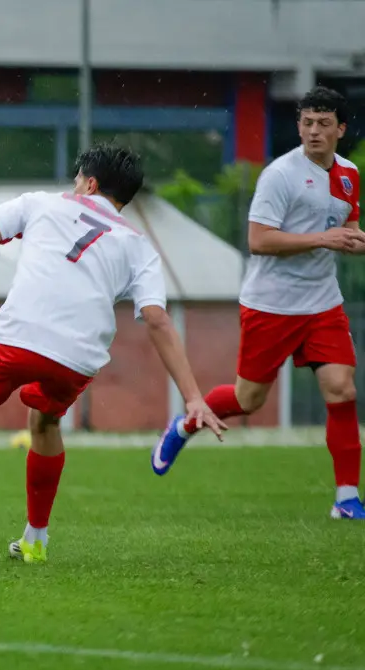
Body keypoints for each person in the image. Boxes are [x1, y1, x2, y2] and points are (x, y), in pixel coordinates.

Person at [0, 143, 225, 567]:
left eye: (76, 179)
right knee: (45, 419)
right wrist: (193, 397)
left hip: (16, 339)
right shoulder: (139, 246)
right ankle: (35, 539)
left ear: (89, 183)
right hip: (78, 360)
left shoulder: (40, 204)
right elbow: (158, 321)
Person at [151, 86, 365, 520]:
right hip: (271, 304)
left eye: (324, 123)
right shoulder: (279, 175)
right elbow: (258, 241)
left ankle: (346, 498)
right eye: (306, 122)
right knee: (249, 399)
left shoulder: (349, 174)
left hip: (322, 302)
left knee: (342, 389)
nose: (313, 131)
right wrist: (324, 238)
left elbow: (349, 224)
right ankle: (186, 423)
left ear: (341, 129)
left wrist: (353, 240)